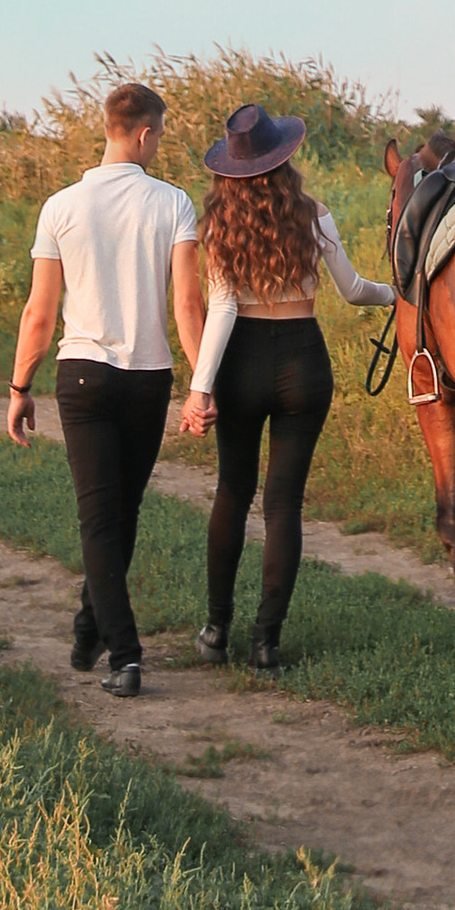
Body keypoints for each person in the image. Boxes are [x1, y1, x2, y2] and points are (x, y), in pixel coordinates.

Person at [7, 72, 206, 699]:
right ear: (144, 134)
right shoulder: (172, 203)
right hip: (148, 379)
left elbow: (39, 312)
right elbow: (188, 306)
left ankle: (95, 629)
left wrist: (20, 388)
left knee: (103, 519)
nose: (159, 146)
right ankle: (125, 652)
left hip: (83, 377)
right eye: (160, 136)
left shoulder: (61, 207)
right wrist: (203, 384)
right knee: (120, 513)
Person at [176, 99, 392, 673]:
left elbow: (220, 310)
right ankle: (266, 643)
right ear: (284, 158)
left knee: (232, 491)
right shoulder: (314, 214)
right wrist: (398, 294)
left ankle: (216, 628)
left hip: (242, 362)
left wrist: (200, 390)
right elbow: (351, 290)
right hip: (303, 363)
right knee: (284, 504)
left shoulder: (220, 224)